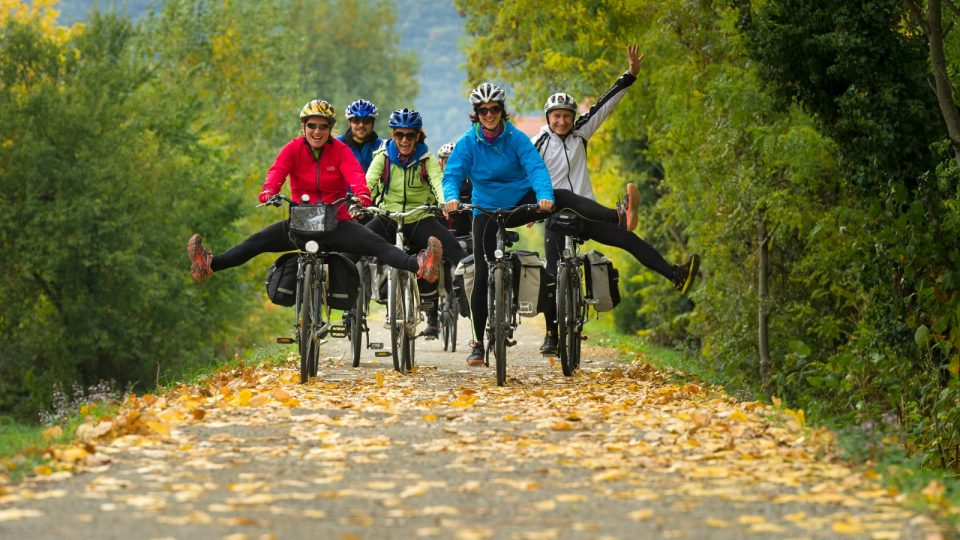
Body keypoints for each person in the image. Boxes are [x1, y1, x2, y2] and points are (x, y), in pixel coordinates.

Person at [442, 82, 640, 366]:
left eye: (494, 109)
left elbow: (536, 168)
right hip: (484, 209)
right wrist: (450, 197)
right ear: (476, 113)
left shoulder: (517, 139)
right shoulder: (467, 143)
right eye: (483, 110)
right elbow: (452, 175)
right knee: (483, 273)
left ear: (501, 110)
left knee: (563, 196)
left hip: (519, 205)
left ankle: (617, 215)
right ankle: (477, 343)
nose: (489, 114)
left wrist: (545, 197)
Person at [532, 45, 700, 354]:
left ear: (572, 118)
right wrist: (527, 205)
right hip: (555, 216)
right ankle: (551, 335)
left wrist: (630, 75)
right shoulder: (538, 142)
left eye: (566, 116)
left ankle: (675, 275)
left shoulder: (581, 132)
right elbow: (523, 170)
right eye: (556, 116)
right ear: (548, 117)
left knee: (628, 239)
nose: (562, 121)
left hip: (587, 212)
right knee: (552, 272)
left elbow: (604, 105)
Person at [187, 99, 442, 289]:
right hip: (301, 223)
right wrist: (269, 191)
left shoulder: (340, 150)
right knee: (256, 242)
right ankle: (209, 263)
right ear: (304, 126)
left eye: (323, 126)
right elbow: (277, 171)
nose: (317, 132)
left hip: (336, 224)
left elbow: (354, 175)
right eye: (312, 126)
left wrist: (362, 194)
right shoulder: (293, 148)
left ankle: (420, 265)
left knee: (378, 245)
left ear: (331, 128)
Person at [365, 109, 469, 339]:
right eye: (399, 135)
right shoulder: (381, 157)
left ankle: (464, 302)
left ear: (418, 136)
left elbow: (438, 182)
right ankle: (352, 301)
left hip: (419, 218)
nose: (404, 140)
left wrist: (445, 201)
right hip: (387, 218)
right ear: (393, 134)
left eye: (410, 136)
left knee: (459, 255)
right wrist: (360, 199)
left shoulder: (427, 158)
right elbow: (368, 183)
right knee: (354, 244)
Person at [338, 99, 384, 172]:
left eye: (366, 121)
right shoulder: (338, 144)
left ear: (373, 123)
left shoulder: (382, 146)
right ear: (349, 123)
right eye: (356, 121)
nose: (361, 125)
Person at [437, 141, 472, 237]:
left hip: (466, 234)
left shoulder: (469, 183)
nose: (452, 166)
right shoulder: (435, 183)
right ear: (440, 164)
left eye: (455, 161)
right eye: (447, 162)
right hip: (440, 234)